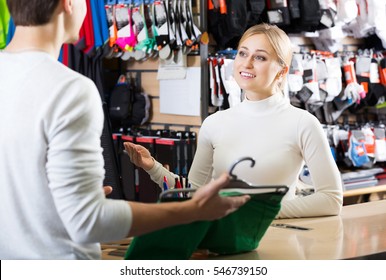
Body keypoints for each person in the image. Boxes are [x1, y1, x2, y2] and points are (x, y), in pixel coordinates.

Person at [0, 0, 250, 260]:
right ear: (69, 4)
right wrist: (192, 210)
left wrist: (64, 199)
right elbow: (89, 222)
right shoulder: (69, 90)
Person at [125, 23, 343, 219]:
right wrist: (152, 167)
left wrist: (263, 214)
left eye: (260, 57)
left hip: (280, 244)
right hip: (223, 244)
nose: (246, 63)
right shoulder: (214, 123)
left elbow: (331, 199)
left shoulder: (303, 123)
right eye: (242, 53)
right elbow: (193, 193)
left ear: (282, 71)